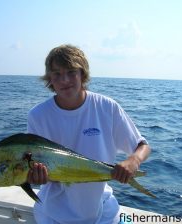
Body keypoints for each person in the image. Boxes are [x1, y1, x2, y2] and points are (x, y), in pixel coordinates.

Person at [26, 44, 151, 224]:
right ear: (50, 79)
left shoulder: (107, 107)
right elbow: (35, 166)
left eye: (71, 72)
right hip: (53, 215)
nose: (64, 80)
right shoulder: (37, 116)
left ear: (82, 74)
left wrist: (134, 160)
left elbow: (143, 146)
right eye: (57, 74)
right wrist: (34, 176)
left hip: (105, 212)